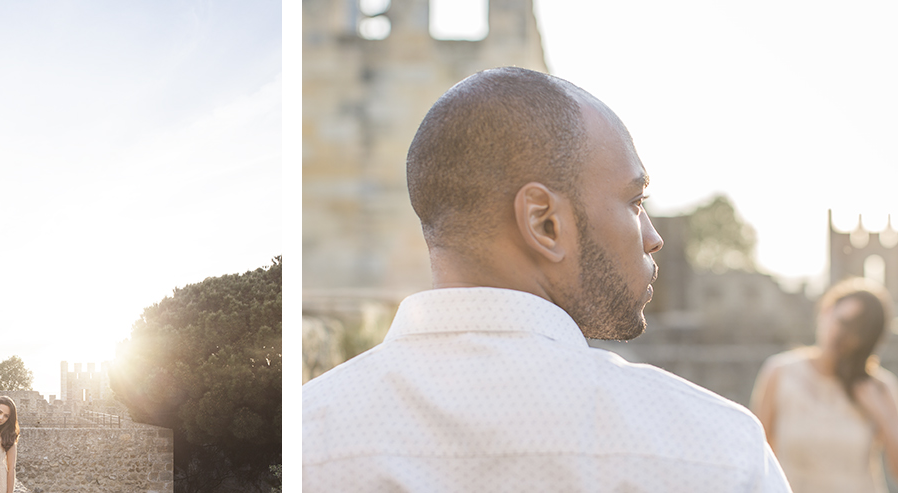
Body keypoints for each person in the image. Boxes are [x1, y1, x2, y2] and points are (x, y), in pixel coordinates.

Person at [302, 67, 791, 491]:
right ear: (544, 223)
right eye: (635, 203)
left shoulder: (308, 438)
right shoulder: (717, 452)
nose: (653, 236)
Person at [752, 279, 898, 492]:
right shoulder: (779, 373)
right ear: (825, 311)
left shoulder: (880, 387)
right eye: (842, 321)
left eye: (858, 331)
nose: (846, 336)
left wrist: (882, 415)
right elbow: (755, 458)